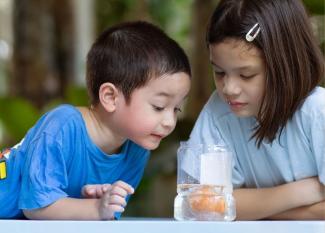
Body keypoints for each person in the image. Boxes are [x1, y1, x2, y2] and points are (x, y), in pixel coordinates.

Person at [0, 21, 191, 220]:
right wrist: (96, 208)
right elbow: (36, 207)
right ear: (110, 97)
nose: (170, 121)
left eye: (176, 108)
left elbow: (105, 215)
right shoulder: (62, 126)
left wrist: (98, 205)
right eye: (159, 106)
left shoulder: (137, 149)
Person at [187, 0, 325, 220]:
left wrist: (252, 210)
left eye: (246, 75)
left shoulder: (318, 112)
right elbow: (200, 205)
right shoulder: (218, 110)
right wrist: (298, 192)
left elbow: (222, 206)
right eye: (220, 72)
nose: (229, 89)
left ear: (286, 64)